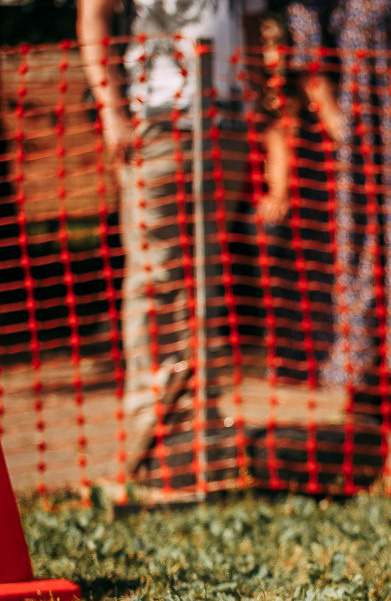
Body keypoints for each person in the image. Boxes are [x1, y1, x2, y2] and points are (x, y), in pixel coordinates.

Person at [78, 0, 264, 479]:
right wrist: (112, 110)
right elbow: (94, 14)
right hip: (153, 121)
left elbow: (248, 22)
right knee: (157, 275)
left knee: (206, 277)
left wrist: (256, 103)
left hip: (226, 120)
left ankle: (203, 418)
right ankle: (154, 429)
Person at [280, 0, 391, 425]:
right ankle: (357, 382)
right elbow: (310, 59)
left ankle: (386, 383)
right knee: (358, 259)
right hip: (357, 145)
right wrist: (339, 126)